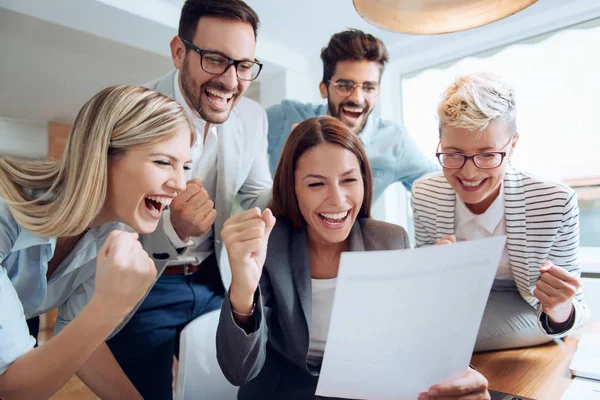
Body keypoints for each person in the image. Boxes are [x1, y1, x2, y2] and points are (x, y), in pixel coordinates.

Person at [217, 116, 490, 400]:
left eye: (348, 180)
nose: (337, 200)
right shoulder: (268, 248)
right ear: (292, 189)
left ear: (364, 180)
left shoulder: (389, 241)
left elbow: (409, 348)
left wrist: (429, 292)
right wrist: (243, 290)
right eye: (315, 184)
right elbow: (238, 371)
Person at [106, 1, 272, 398]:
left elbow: (258, 195)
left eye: (244, 65)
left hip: (216, 279)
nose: (231, 81)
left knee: (222, 390)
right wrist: (172, 229)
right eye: (215, 59)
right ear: (180, 52)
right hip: (146, 286)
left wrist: (303, 179)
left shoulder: (252, 117)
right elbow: (104, 224)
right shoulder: (129, 113)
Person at [0, 84, 192, 399]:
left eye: (184, 166)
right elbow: (12, 389)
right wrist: (110, 304)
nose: (180, 184)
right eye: (162, 162)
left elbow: (81, 340)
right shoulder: (5, 215)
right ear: (102, 155)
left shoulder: (111, 232)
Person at [411, 72, 589, 351]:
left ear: (513, 145)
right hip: (459, 303)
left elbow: (573, 307)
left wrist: (560, 307)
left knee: (430, 338)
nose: (469, 172)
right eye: (453, 153)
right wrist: (430, 270)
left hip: (527, 306)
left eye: (487, 154)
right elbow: (426, 288)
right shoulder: (425, 194)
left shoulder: (554, 201)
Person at [267, 29, 438, 201]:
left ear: (377, 92)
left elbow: (439, 186)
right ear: (324, 89)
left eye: (368, 87)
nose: (357, 98)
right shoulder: (285, 116)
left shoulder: (394, 141)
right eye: (344, 86)